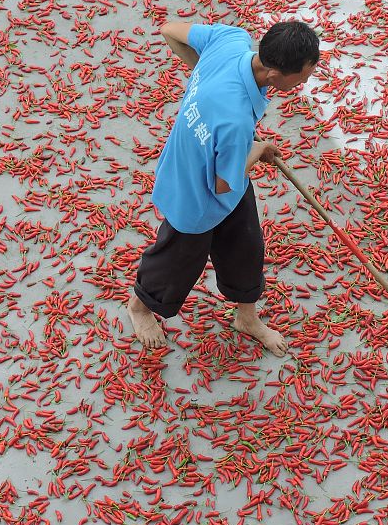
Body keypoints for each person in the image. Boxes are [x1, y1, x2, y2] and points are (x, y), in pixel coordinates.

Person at [126, 19, 320, 354]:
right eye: (303, 76)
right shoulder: (234, 120)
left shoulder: (232, 40)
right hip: (196, 192)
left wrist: (204, 82)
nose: (305, 81)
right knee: (177, 259)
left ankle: (247, 317)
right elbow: (223, 183)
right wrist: (257, 149)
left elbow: (170, 30)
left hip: (218, 167)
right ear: (276, 75)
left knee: (246, 247)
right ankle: (139, 307)